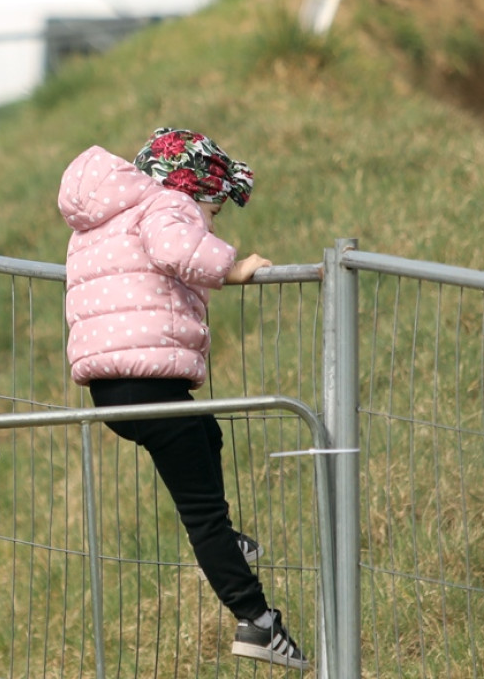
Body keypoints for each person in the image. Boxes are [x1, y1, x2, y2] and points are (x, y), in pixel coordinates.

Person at [58, 127, 308, 670]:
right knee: (203, 517)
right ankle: (257, 622)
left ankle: (228, 544)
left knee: (206, 432)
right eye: (214, 214)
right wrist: (231, 266)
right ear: (193, 190)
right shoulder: (168, 205)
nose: (211, 224)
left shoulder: (103, 218)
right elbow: (177, 248)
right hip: (152, 382)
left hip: (112, 389)